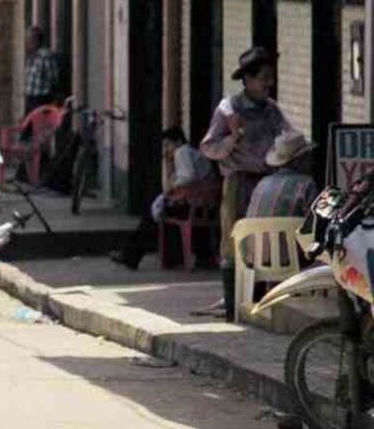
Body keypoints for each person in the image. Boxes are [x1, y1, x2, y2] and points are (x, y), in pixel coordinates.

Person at [200, 46, 294, 321]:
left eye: (270, 77)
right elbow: (208, 147)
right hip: (238, 182)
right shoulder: (229, 109)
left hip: (266, 182)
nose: (268, 83)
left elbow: (287, 135)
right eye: (263, 77)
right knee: (234, 240)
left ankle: (263, 300)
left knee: (265, 239)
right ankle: (233, 303)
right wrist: (232, 139)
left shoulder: (271, 109)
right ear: (248, 80)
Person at [111, 126, 214, 270]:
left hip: (193, 205)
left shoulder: (182, 152)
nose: (167, 149)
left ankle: (131, 255)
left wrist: (172, 187)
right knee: (155, 216)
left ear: (177, 141)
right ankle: (133, 254)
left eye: (168, 145)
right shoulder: (190, 153)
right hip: (200, 205)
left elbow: (187, 176)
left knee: (150, 218)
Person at [247, 130, 318, 219]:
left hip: (255, 232)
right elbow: (313, 221)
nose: (312, 161)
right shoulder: (306, 184)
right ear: (298, 160)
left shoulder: (262, 183)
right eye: (307, 156)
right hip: (286, 232)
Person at [23, 26, 61, 113]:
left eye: (30, 39)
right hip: (30, 99)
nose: (27, 42)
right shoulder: (31, 56)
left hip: (41, 99)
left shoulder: (45, 56)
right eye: (27, 39)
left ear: (37, 40)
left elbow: (53, 78)